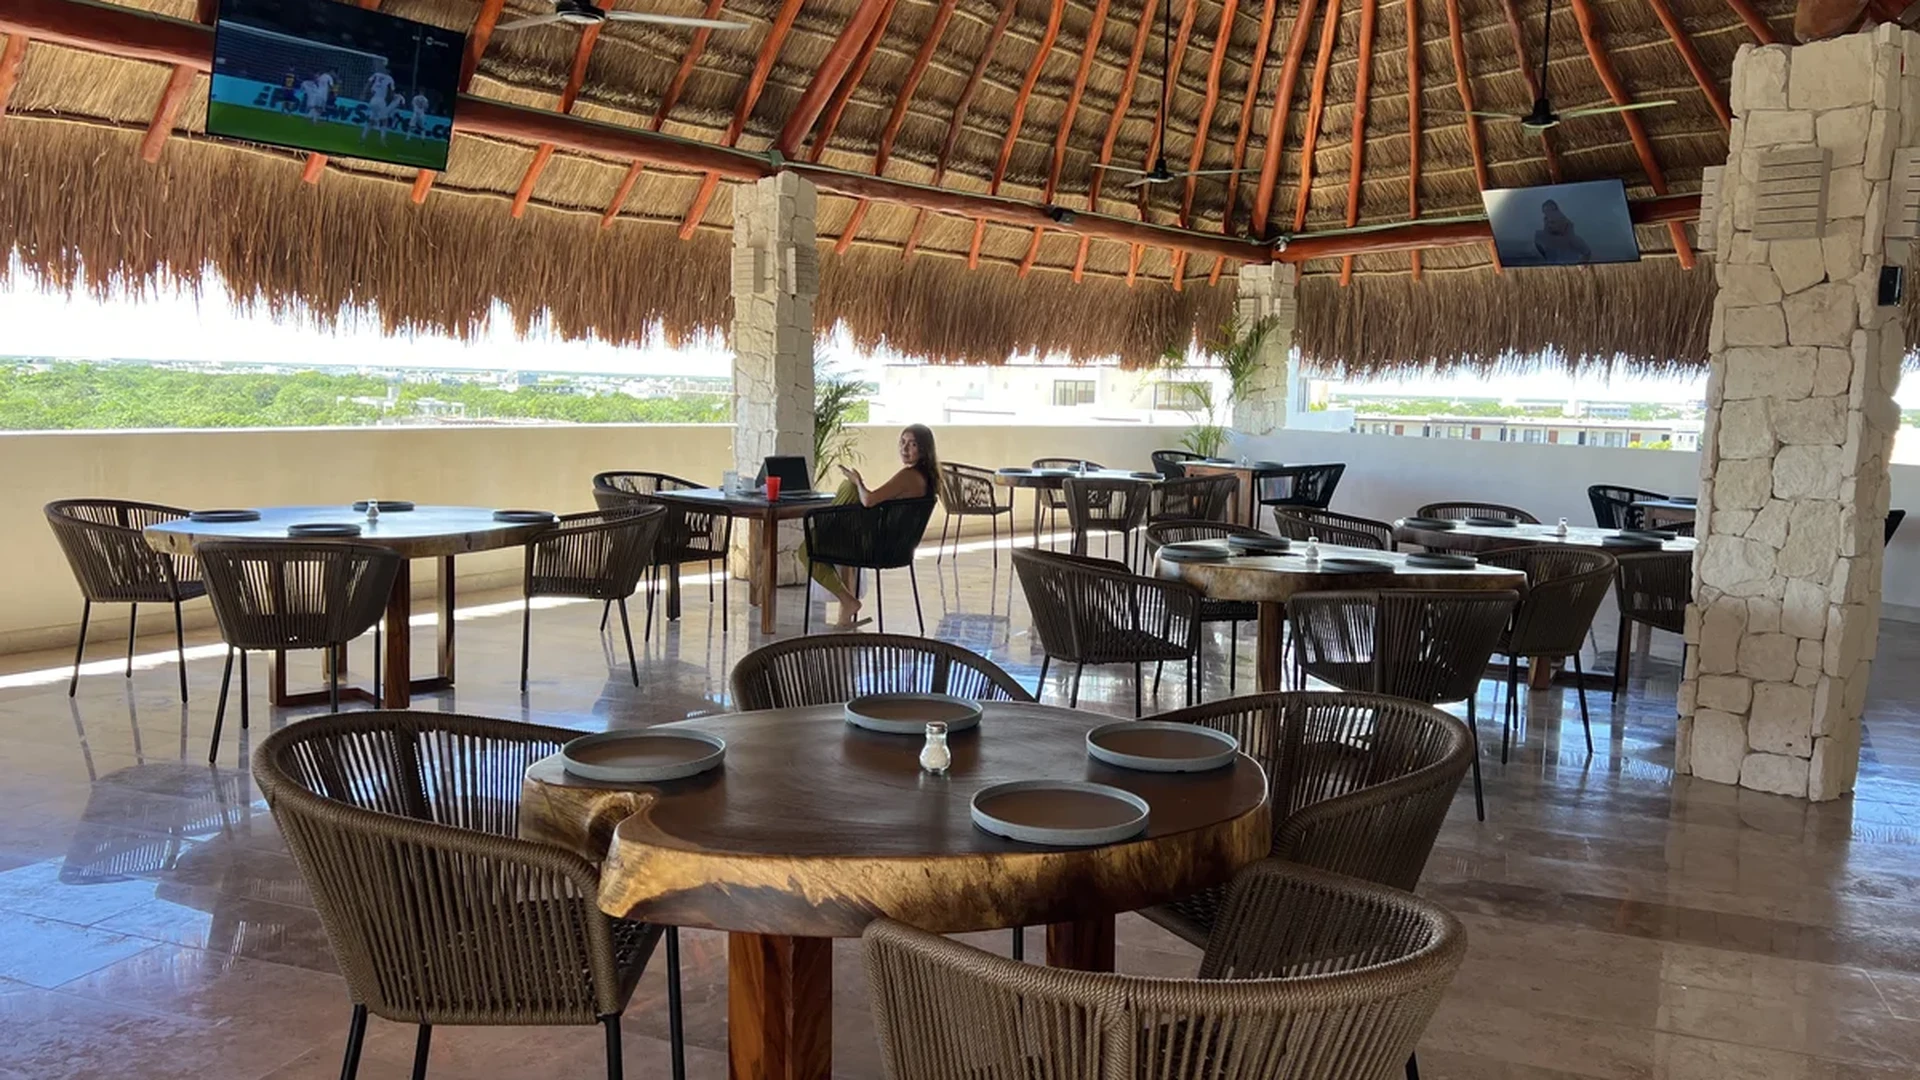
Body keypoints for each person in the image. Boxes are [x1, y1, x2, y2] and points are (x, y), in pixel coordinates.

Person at [809, 424, 938, 629]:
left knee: (809, 546)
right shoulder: (926, 479)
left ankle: (847, 600)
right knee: (848, 493)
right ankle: (845, 614)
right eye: (902, 442)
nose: (905, 449)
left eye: (912, 444)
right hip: (897, 548)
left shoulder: (909, 476)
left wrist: (858, 481)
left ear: (924, 449)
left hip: (877, 547)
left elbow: (869, 500)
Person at [1533, 199, 1593, 265]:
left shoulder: (1573, 239)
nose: (1548, 222)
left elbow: (1587, 253)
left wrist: (1578, 267)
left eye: (1552, 222)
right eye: (1545, 212)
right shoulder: (1541, 237)